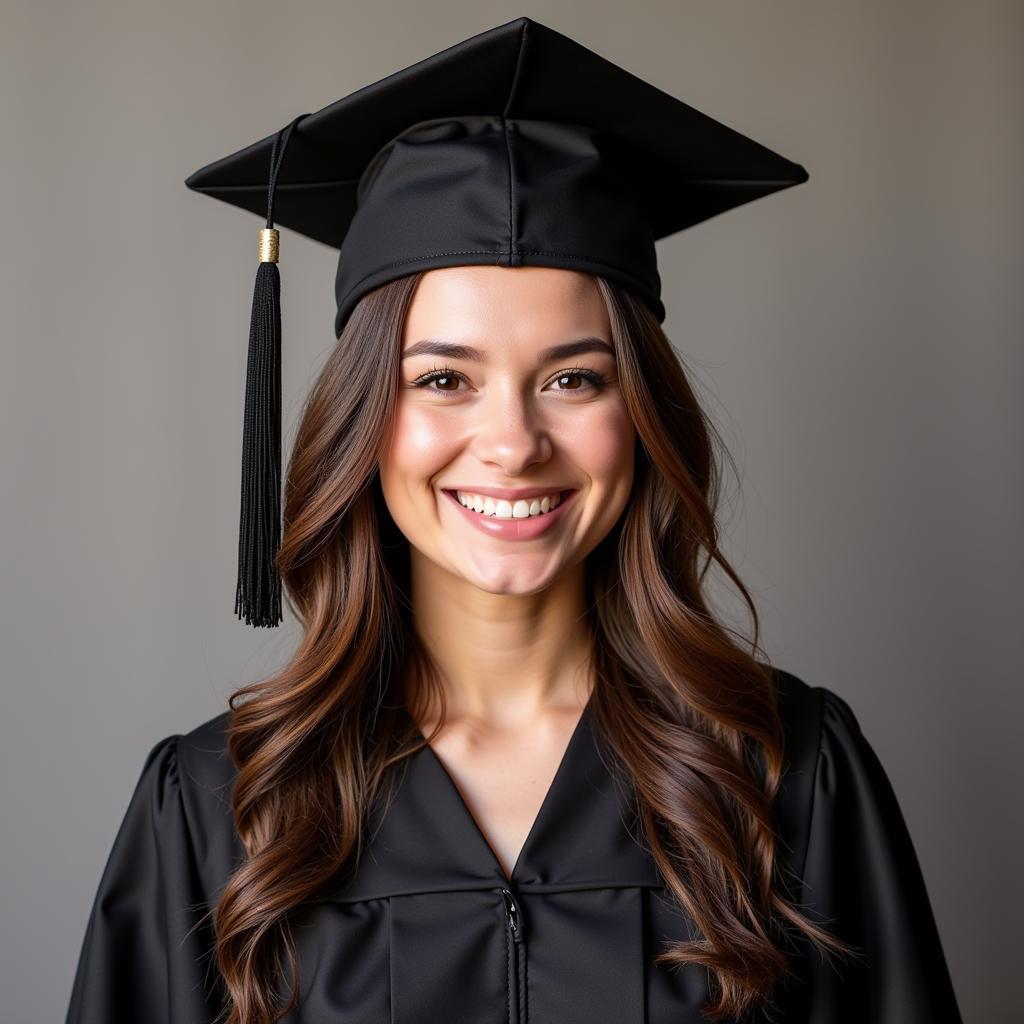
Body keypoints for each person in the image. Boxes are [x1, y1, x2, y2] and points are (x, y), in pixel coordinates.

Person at [64, 16, 963, 1024]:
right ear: (365, 417)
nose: (513, 441)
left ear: (641, 414)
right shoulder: (221, 806)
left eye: (574, 377)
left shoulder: (784, 772)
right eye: (443, 378)